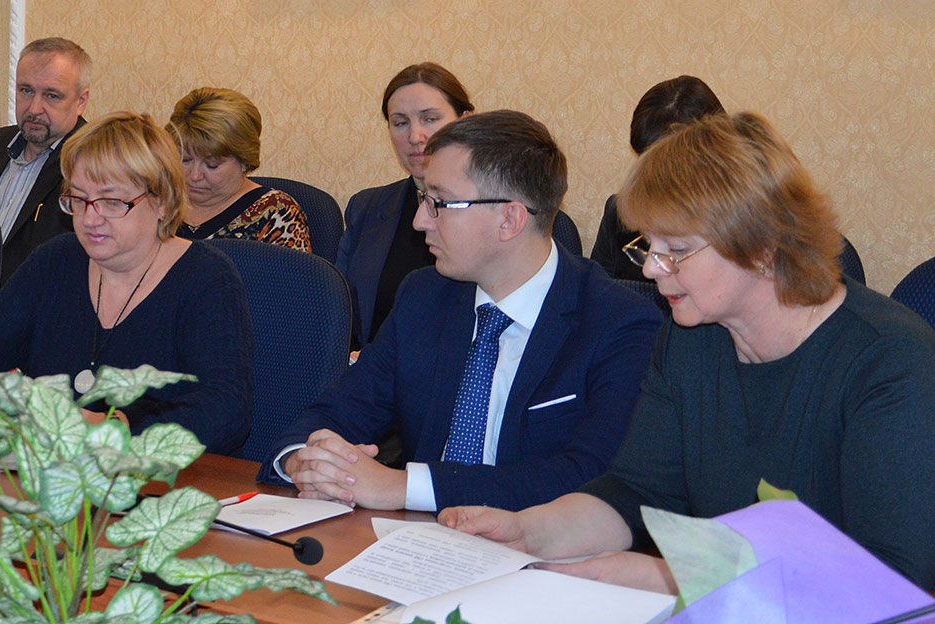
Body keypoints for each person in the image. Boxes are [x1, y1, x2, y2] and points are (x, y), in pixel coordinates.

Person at [443, 113, 935, 591]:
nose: (651, 268)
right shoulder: (691, 338)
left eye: (678, 249)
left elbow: (889, 575)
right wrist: (527, 532)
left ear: (762, 247)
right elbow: (638, 492)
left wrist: (669, 578)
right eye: (649, 245)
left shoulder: (889, 363)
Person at [264, 111, 660, 512]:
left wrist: (404, 487)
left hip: (535, 542)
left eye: (439, 202)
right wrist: (305, 461)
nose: (420, 221)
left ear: (510, 219)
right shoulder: (424, 296)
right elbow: (342, 409)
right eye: (423, 198)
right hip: (414, 540)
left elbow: (593, 476)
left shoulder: (619, 322)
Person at [0, 111, 255, 454]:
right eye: (79, 199)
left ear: (162, 201)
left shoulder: (206, 278)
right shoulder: (57, 260)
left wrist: (118, 426)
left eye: (112, 202)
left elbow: (227, 410)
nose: (89, 218)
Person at [336, 63, 475, 344]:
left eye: (429, 119)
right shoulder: (366, 208)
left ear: (464, 122)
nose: (414, 136)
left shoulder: (496, 211)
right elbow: (339, 312)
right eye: (400, 123)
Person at [0, 37, 91, 283]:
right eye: (26, 91)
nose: (34, 108)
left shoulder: (91, 163)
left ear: (81, 101)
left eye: (51, 95)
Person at [589, 75, 724, 279]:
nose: (650, 269)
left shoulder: (742, 222)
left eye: (667, 166)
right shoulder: (621, 217)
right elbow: (597, 293)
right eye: (646, 162)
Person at [167, 86, 311, 248]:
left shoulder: (276, 212)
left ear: (244, 161)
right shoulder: (158, 202)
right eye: (185, 160)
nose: (194, 176)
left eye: (211, 165)